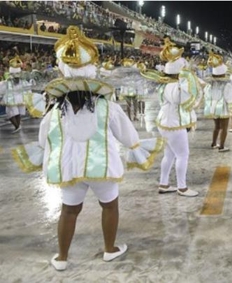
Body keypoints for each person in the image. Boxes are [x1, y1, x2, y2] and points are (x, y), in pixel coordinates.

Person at [11, 26, 163, 271]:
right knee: (110, 205)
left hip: (69, 169)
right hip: (102, 167)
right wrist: (134, 146)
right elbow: (127, 135)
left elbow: (43, 141)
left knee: (69, 211)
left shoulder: (53, 111)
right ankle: (109, 250)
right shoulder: (107, 107)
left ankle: (62, 257)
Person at [156, 38, 201, 196]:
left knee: (169, 154)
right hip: (174, 125)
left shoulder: (164, 84)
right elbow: (187, 102)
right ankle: (182, 187)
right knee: (182, 155)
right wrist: (192, 83)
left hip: (164, 123)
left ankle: (164, 184)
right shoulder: (177, 86)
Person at [203, 51, 232, 152]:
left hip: (213, 107)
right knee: (224, 128)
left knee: (216, 126)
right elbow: (229, 97)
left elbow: (207, 95)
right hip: (223, 108)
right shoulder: (227, 85)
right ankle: (222, 146)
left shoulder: (210, 85)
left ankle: (214, 143)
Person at [0, 55, 30, 133]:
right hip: (14, 97)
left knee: (15, 113)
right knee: (13, 113)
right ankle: (17, 126)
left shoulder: (20, 81)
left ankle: (17, 126)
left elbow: (27, 88)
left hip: (15, 97)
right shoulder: (8, 81)